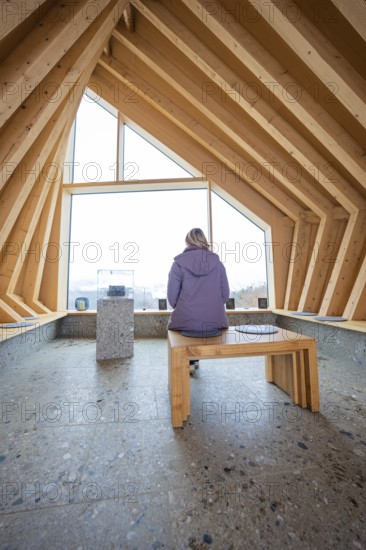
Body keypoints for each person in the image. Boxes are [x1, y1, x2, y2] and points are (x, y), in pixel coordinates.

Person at [167, 228, 230, 371]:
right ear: (204, 240)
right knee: (200, 325)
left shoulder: (178, 264)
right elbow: (225, 295)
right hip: (214, 322)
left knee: (188, 325)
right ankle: (194, 360)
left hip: (186, 321)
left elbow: (172, 296)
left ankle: (191, 361)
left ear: (188, 241)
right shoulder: (218, 264)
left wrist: (181, 306)